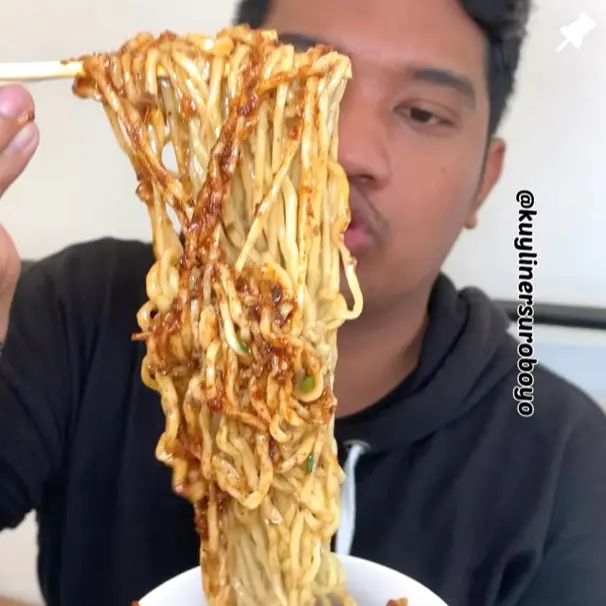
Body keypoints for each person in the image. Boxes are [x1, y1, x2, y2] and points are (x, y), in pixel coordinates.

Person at [1, 0, 605, 604]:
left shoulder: (564, 460)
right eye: (291, 82)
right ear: (224, 102)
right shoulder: (76, 315)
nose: (346, 150)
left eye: (422, 112)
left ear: (483, 182)